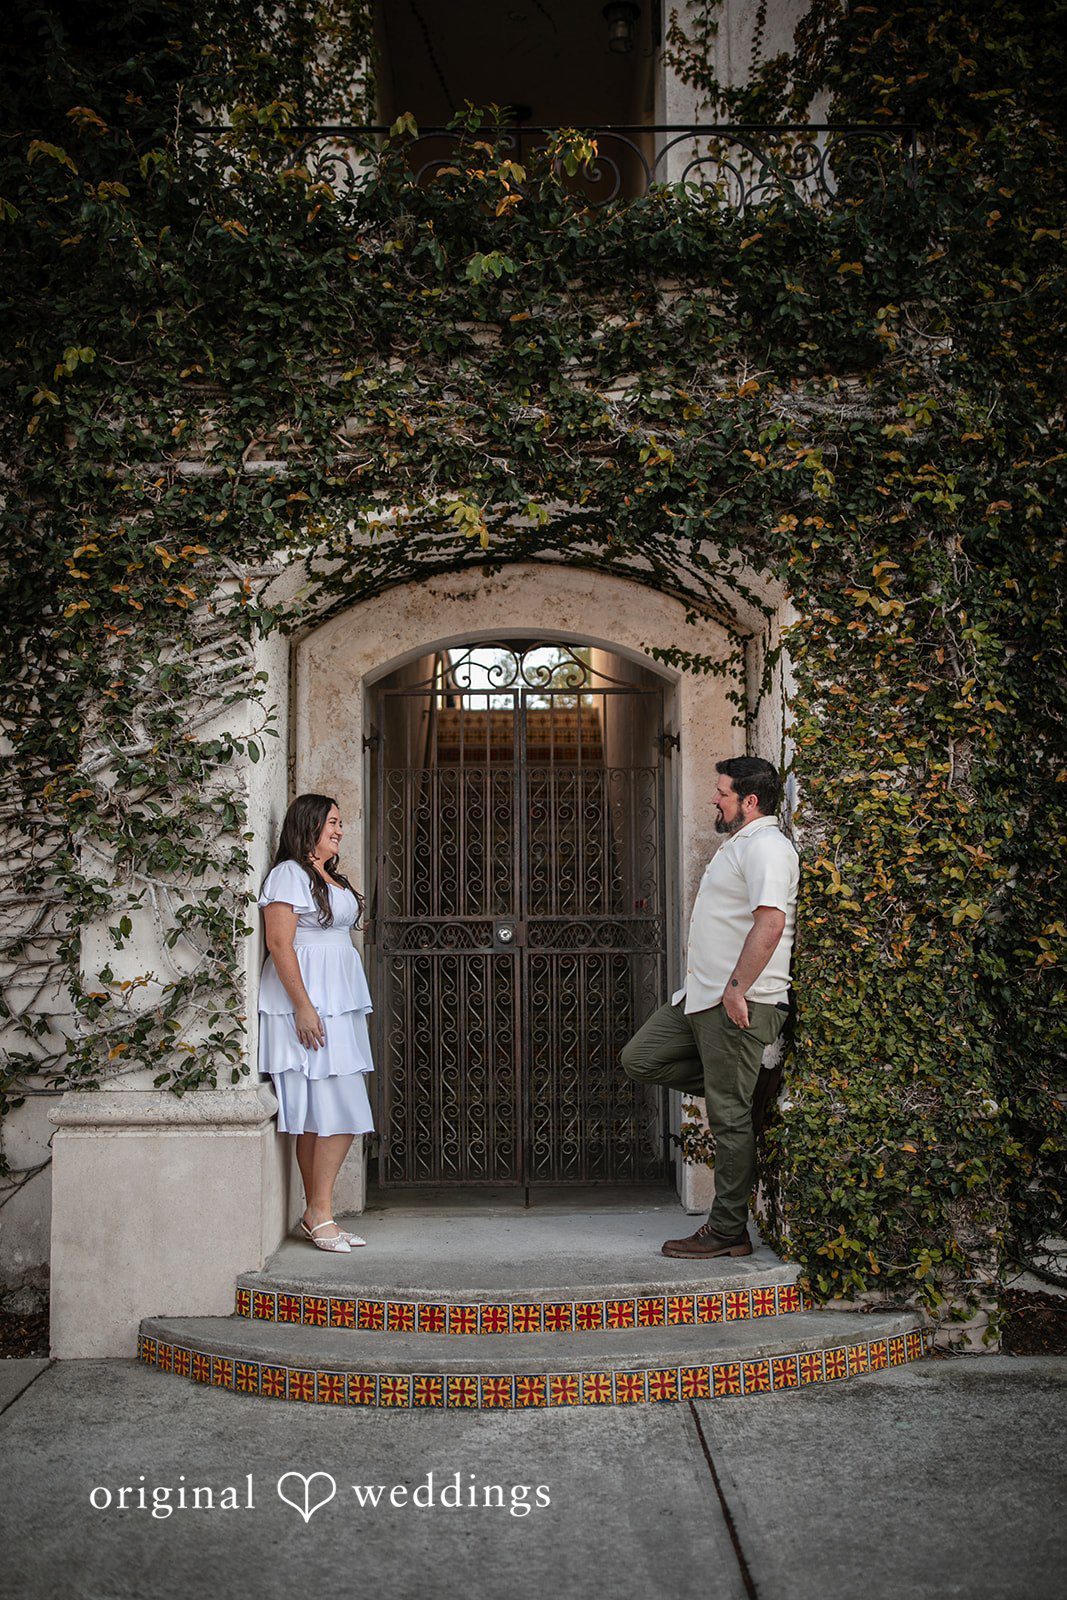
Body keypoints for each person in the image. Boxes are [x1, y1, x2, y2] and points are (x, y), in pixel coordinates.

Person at [621, 756, 798, 1259]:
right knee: (640, 1057)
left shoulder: (767, 847)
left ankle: (727, 1232)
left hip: (737, 1003)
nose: (713, 799)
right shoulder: (739, 844)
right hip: (700, 999)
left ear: (750, 801)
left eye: (721, 792)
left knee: (728, 1120)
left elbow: (770, 922)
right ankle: (745, 1086)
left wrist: (738, 987)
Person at [257, 793, 375, 1253]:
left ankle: (315, 1212)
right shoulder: (289, 873)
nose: (340, 830)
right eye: (332, 822)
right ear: (308, 826)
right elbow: (279, 943)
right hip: (306, 1003)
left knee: (323, 1112)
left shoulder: (327, 875)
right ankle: (320, 1213)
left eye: (341, 823)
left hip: (338, 1002)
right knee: (332, 1109)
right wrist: (303, 1006)